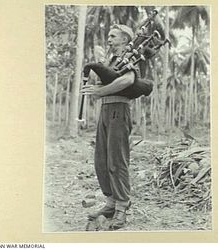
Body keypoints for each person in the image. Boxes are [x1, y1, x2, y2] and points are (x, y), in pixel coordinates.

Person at [81, 24, 139, 230]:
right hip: (106, 110)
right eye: (109, 35)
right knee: (102, 160)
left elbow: (127, 79)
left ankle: (122, 206)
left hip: (118, 110)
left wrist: (101, 91)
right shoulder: (112, 60)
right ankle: (111, 202)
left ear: (125, 39)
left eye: (113, 36)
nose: (109, 39)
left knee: (117, 160)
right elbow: (104, 82)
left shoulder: (130, 56)